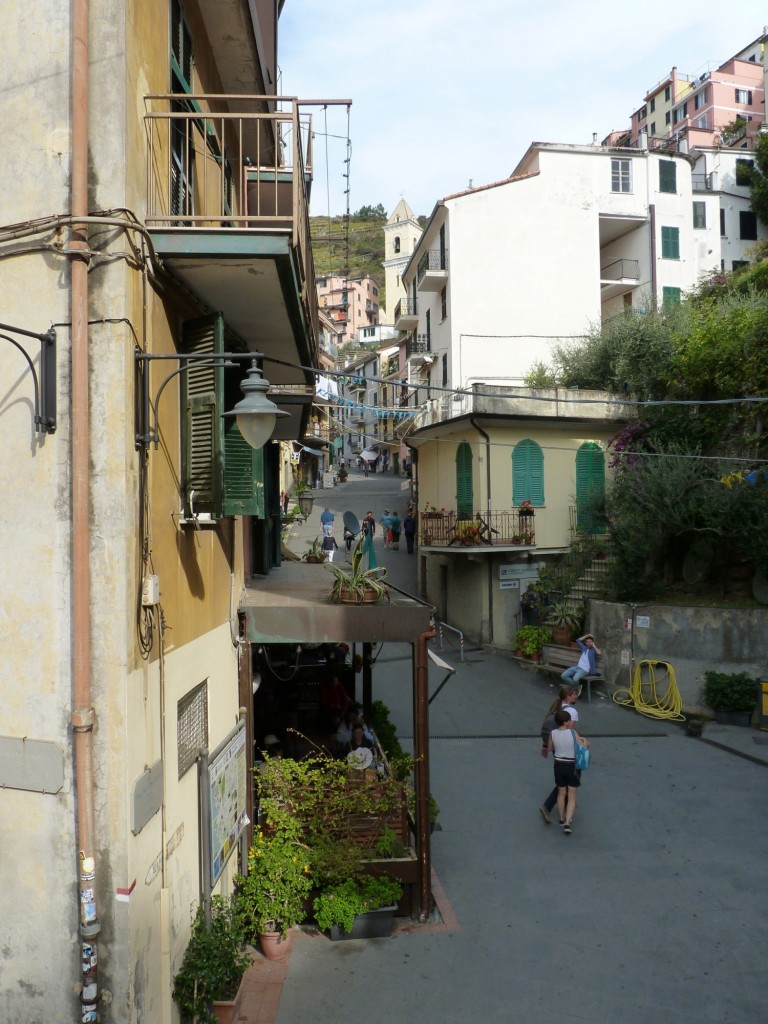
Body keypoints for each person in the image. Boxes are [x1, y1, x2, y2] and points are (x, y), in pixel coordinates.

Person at [539, 684, 580, 824]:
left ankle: (566, 801)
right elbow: (569, 732)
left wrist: (546, 746)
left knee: (562, 777)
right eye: (574, 694)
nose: (576, 696)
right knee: (570, 779)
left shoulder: (558, 707)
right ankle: (549, 806)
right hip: (568, 752)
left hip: (557, 748)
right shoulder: (572, 712)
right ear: (568, 696)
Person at [547, 709, 589, 834]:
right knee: (571, 795)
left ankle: (561, 818)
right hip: (572, 766)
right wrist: (584, 741)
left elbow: (550, 748)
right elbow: (584, 747)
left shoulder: (553, 733)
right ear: (566, 722)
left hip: (558, 764)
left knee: (561, 793)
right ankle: (567, 822)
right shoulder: (572, 732)